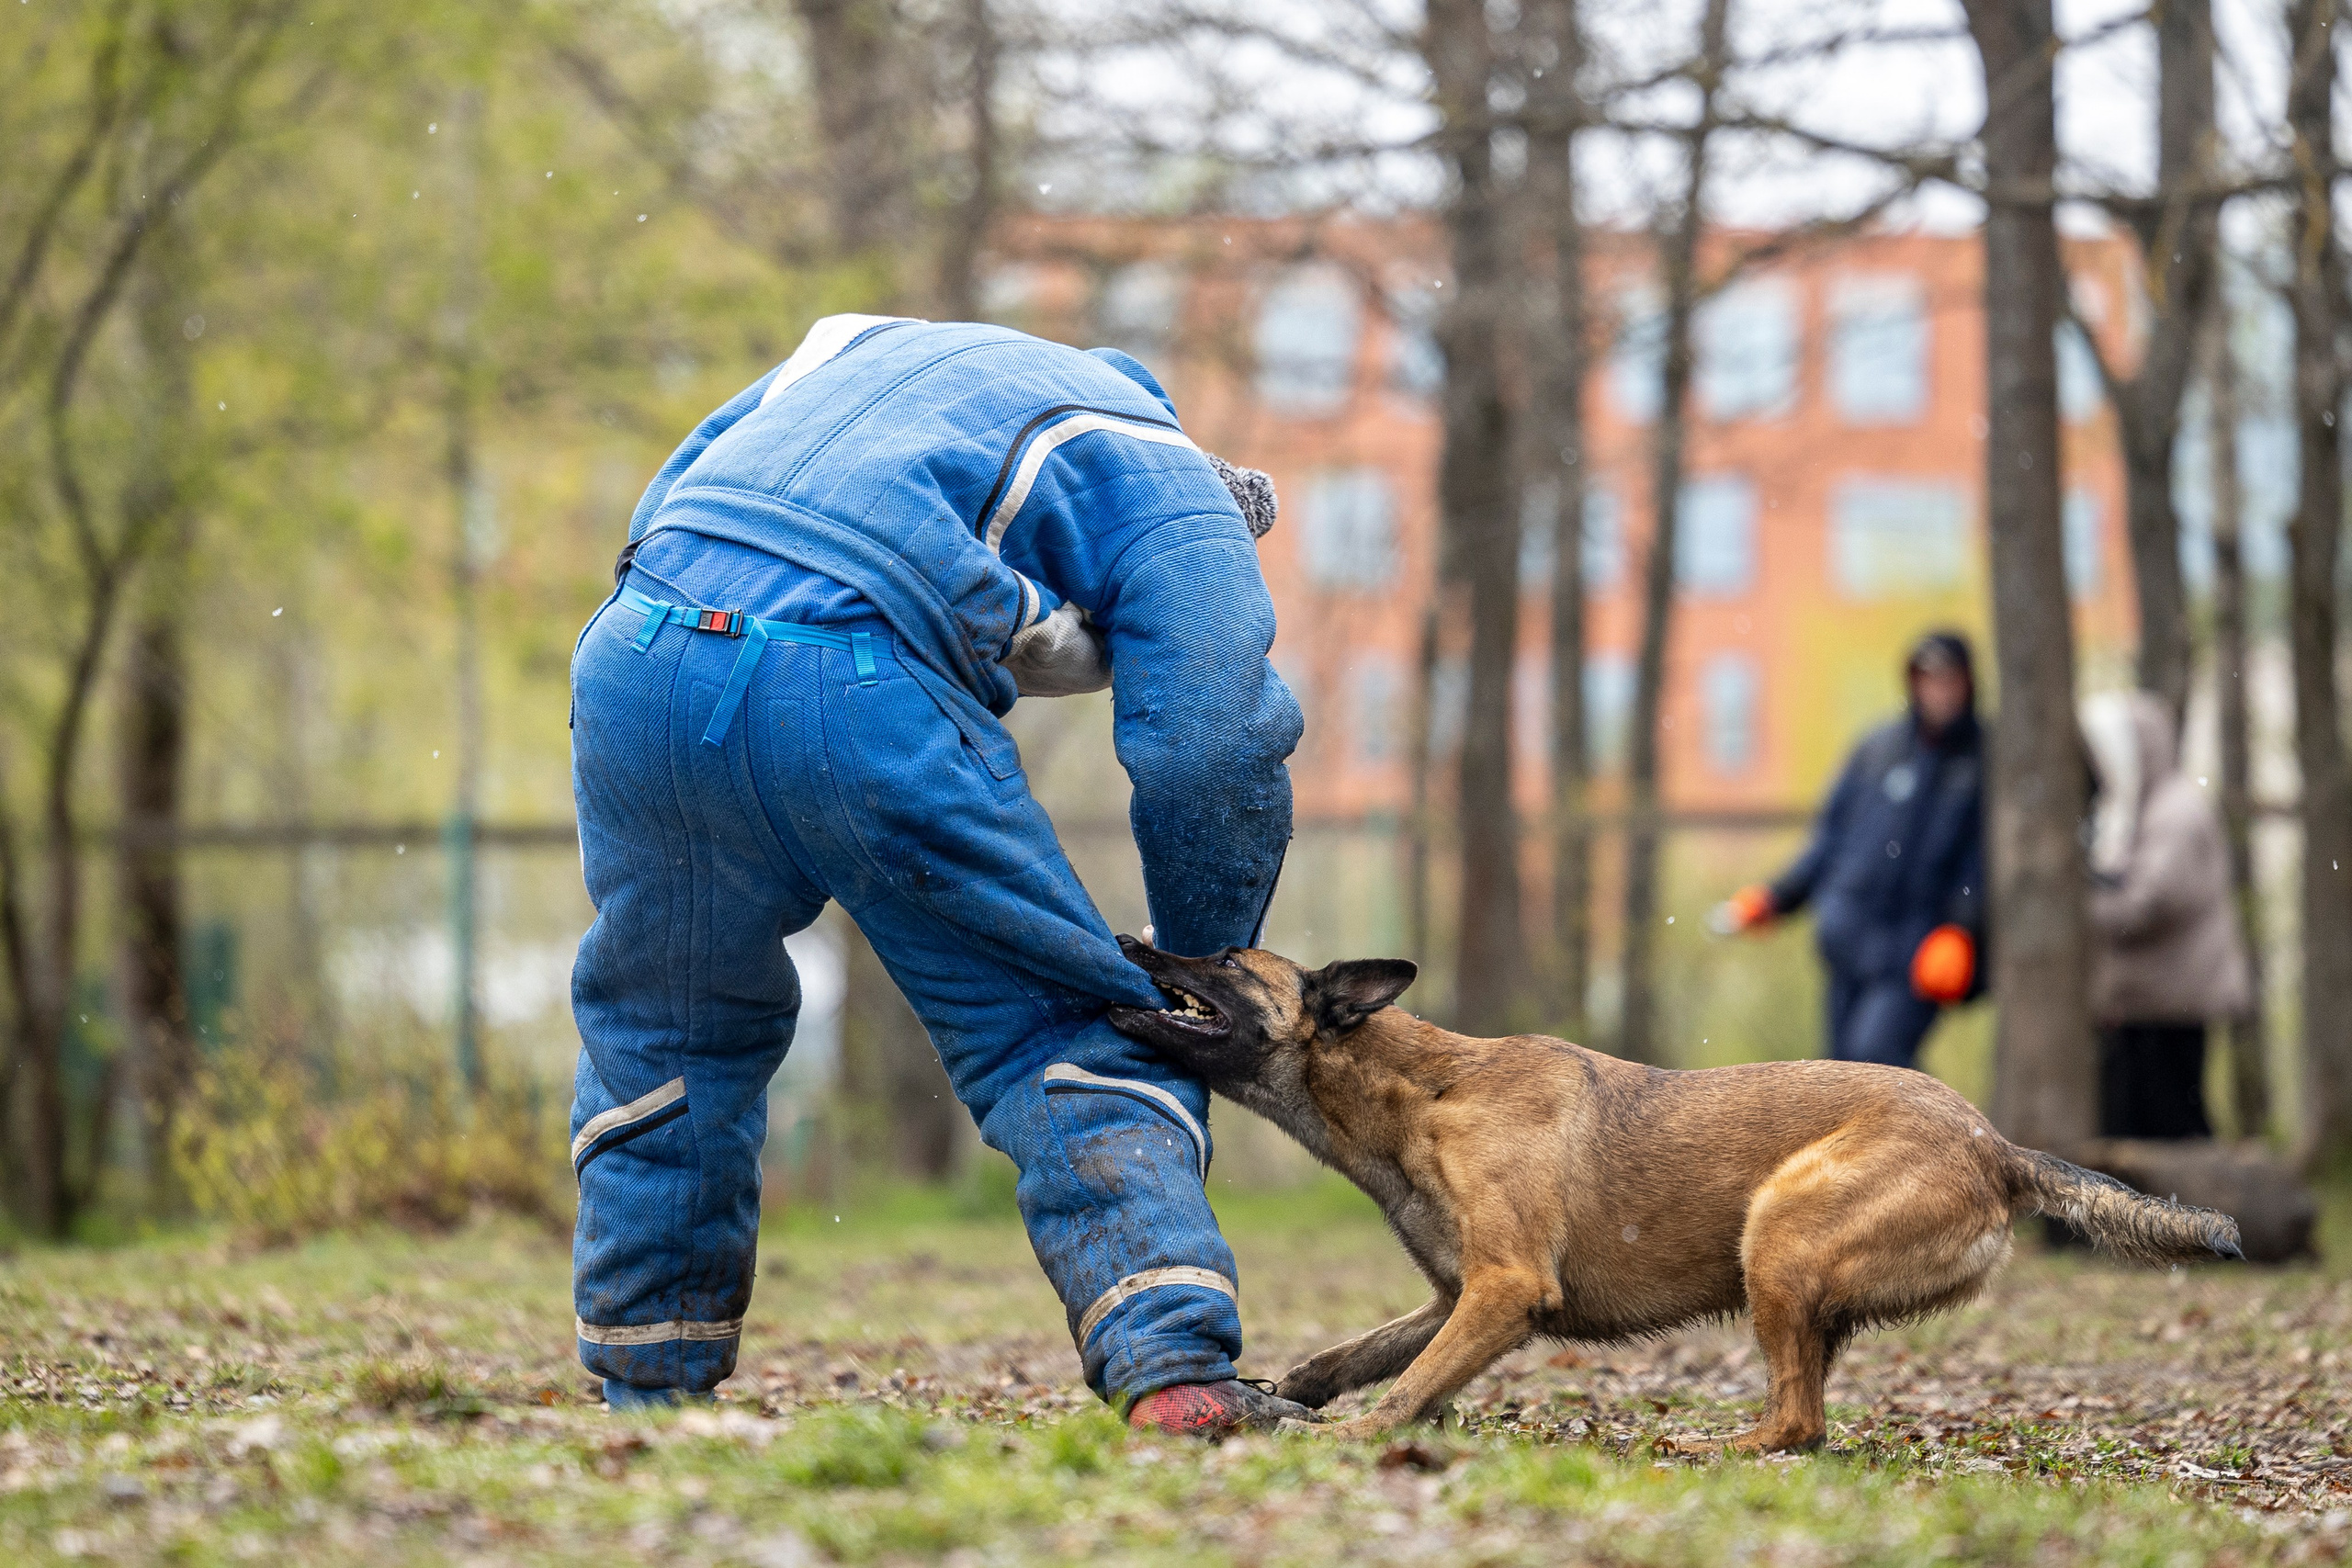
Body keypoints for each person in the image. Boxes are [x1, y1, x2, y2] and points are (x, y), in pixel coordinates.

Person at [567, 313, 1312, 1437]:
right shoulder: (1170, 479)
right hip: (854, 687)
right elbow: (1215, 742)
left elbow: (682, 496)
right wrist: (1203, 977)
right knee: (1058, 1024)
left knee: (667, 1021)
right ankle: (1174, 1371)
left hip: (637, 650)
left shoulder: (859, 350)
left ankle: (647, 1379)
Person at [1710, 630, 1985, 1068]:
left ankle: (1938, 1136)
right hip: (1848, 944)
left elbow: (1982, 862)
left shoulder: (1983, 760)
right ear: (1913, 682)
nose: (1939, 692)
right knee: (1840, 1076)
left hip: (1918, 956)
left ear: (1969, 683)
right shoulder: (1877, 750)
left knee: (1877, 1059)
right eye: (1929, 679)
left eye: (1949, 680)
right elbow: (1829, 845)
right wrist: (1776, 898)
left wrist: (1962, 928)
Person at [2079, 691, 2250, 1139]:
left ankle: (2208, 1205)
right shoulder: (2132, 811)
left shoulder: (2176, 812)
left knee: (2175, 1122)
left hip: (2174, 1005)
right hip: (2145, 1004)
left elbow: (2145, 905)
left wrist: (2080, 908)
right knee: (2134, 1121)